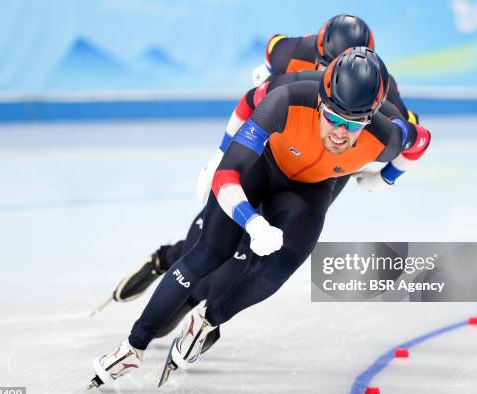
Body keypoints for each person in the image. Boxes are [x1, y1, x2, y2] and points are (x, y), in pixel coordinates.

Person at [88, 48, 431, 388]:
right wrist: (248, 214)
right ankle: (134, 345)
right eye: (333, 118)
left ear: (370, 118)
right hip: (261, 168)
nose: (340, 133)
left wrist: (384, 178)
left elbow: (421, 141)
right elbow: (227, 175)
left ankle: (208, 322)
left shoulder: (386, 137)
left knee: (281, 265)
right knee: (208, 253)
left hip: (309, 190)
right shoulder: (286, 100)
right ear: (320, 103)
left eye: (352, 124)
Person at [95, 14, 420, 316]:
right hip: (277, 146)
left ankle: (200, 308)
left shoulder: (377, 83)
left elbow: (412, 129)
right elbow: (256, 92)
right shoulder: (291, 52)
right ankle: (166, 259)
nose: (327, 76)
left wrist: (385, 173)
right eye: (323, 65)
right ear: (316, 53)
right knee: (223, 228)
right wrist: (221, 154)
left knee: (265, 248)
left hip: (325, 169)